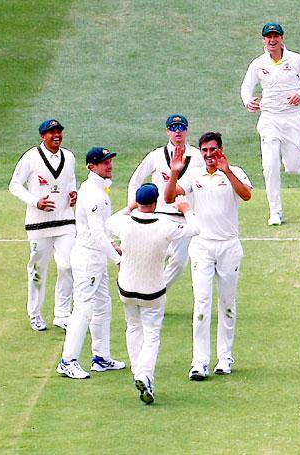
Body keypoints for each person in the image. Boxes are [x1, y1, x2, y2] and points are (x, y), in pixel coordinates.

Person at [164, 131, 252, 380]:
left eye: (213, 150)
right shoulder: (193, 175)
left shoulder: (234, 171)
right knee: (202, 304)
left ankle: (225, 357)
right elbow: (169, 197)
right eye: (205, 150)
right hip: (202, 245)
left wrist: (227, 171)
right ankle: (199, 362)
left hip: (229, 246)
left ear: (221, 150)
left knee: (227, 304)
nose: (209, 155)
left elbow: (246, 195)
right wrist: (174, 172)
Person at [106, 184, 199, 404]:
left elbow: (109, 222)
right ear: (156, 204)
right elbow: (195, 229)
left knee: (133, 327)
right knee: (151, 334)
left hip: (127, 288)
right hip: (153, 291)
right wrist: (186, 209)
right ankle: (144, 374)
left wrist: (129, 208)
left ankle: (141, 374)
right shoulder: (165, 225)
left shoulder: (124, 223)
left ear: (138, 203)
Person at [56, 147, 126, 379]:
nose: (109, 165)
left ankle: (101, 357)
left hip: (95, 257)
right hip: (88, 260)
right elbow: (96, 235)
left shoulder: (96, 188)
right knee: (83, 310)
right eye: (104, 163)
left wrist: (112, 248)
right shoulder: (95, 194)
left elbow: (99, 232)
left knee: (103, 305)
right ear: (91, 167)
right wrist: (117, 259)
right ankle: (68, 361)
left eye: (109, 161)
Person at [240, 22, 300, 226]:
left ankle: (290, 156)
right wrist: (248, 101)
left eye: (276, 36)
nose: (272, 40)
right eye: (268, 36)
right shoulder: (258, 64)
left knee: (294, 168)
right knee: (269, 166)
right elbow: (246, 87)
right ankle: (275, 212)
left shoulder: (295, 59)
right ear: (263, 39)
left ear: (282, 38)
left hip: (292, 119)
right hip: (269, 119)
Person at [9, 119, 76, 331]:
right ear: (42, 136)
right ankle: (35, 314)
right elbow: (15, 185)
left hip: (66, 221)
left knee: (67, 266)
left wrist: (74, 193)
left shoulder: (69, 156)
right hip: (39, 225)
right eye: (51, 132)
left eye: (59, 132)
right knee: (38, 270)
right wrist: (35, 202)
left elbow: (70, 179)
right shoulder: (30, 158)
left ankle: (62, 314)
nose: (56, 135)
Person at [126, 114, 204, 287]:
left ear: (187, 131)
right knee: (153, 256)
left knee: (179, 262)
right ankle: (147, 291)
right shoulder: (156, 155)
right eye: (174, 128)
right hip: (160, 215)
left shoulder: (197, 156)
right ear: (167, 131)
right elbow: (135, 180)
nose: (178, 132)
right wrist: (133, 206)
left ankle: (156, 290)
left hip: (183, 216)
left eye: (181, 128)